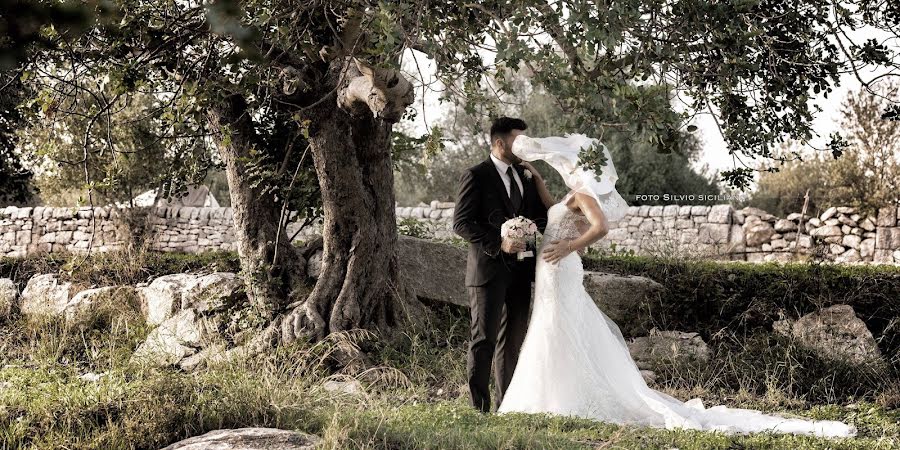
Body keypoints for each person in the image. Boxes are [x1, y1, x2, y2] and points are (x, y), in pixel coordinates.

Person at [494, 132, 857, 438]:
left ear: (579, 165)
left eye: (568, 162)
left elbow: (600, 227)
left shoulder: (585, 194)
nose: (564, 164)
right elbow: (555, 211)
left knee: (557, 326)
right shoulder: (574, 194)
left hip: (561, 265)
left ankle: (559, 396)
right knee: (554, 325)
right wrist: (540, 184)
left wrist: (569, 246)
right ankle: (552, 391)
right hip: (552, 269)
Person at [452, 117, 549, 413]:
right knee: (484, 340)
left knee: (513, 342)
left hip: (522, 271)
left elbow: (539, 216)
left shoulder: (525, 174)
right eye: (517, 141)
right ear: (499, 143)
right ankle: (479, 409)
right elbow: (461, 223)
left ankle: (506, 406)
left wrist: (533, 232)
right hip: (489, 271)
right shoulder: (476, 175)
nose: (523, 147)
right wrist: (500, 241)